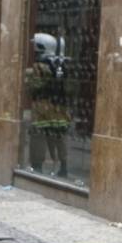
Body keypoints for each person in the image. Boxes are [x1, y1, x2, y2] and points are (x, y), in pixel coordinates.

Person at [27, 33, 72, 177]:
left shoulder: (39, 66)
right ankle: (63, 166)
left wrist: (27, 76)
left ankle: (37, 166)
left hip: (42, 107)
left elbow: (35, 86)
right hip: (60, 108)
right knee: (59, 137)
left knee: (38, 136)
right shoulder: (61, 65)